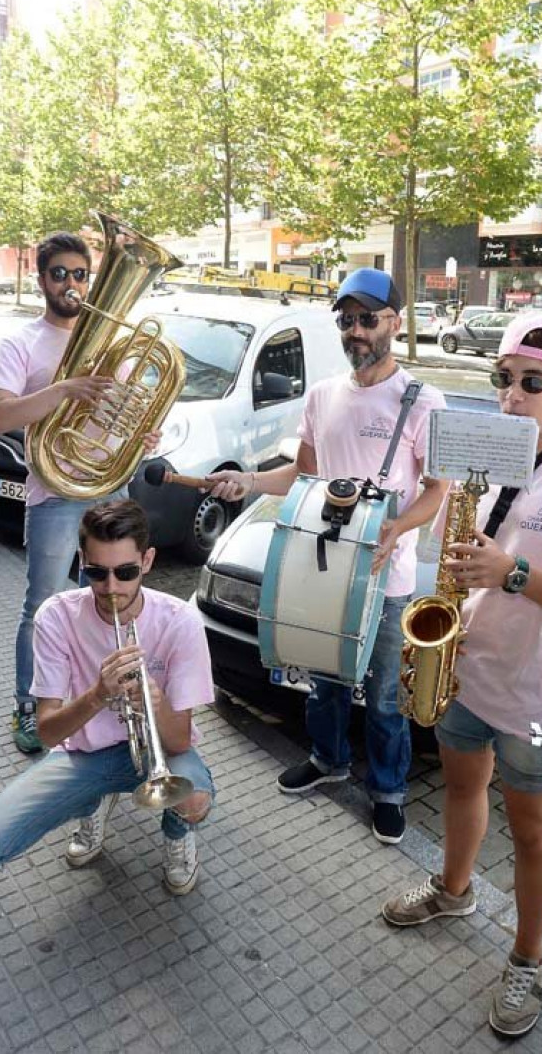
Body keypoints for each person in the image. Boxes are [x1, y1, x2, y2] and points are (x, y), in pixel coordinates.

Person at [381, 313, 542, 1039]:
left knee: (532, 831)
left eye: (533, 381)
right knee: (463, 789)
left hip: (538, 695)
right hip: (466, 671)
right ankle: (454, 890)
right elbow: (455, 566)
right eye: (503, 378)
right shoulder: (484, 459)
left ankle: (528, 958)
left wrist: (513, 573)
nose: (513, 395)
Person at [207, 268, 448, 845]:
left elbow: (437, 492)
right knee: (325, 681)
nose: (356, 330)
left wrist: (396, 528)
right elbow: (304, 476)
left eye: (368, 319)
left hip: (387, 578)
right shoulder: (321, 396)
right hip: (322, 567)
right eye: (346, 320)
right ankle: (329, 759)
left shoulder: (422, 400)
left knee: (387, 695)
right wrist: (248, 482)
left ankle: (388, 791)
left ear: (395, 322)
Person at [0, 499, 215, 895]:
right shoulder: (56, 616)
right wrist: (97, 695)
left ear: (147, 561)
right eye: (97, 572)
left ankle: (177, 835)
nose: (111, 588)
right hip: (82, 753)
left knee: (194, 801)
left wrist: (156, 702)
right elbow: (45, 732)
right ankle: (93, 801)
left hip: (157, 750)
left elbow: (179, 741)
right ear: (82, 561)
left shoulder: (180, 621)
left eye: (126, 572)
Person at [0, 230, 160, 754]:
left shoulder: (112, 343)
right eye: (59, 273)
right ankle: (27, 705)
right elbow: (0, 416)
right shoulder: (20, 343)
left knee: (116, 600)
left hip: (111, 488)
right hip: (56, 493)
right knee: (41, 604)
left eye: (80, 274)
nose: (70, 284)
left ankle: (111, 697)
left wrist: (142, 436)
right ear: (41, 279)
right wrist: (64, 390)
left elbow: (128, 411)